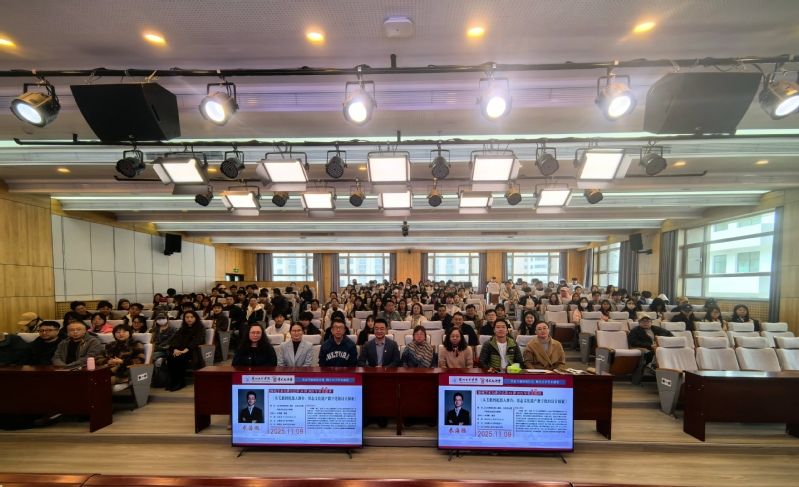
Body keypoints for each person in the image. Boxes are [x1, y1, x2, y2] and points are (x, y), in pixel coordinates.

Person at [165, 310, 206, 391]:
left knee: (180, 358)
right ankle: (174, 380)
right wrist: (175, 349)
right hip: (180, 350)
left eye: (191, 317)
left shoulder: (200, 328)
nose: (189, 319)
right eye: (187, 317)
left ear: (196, 318)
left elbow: (197, 341)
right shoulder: (182, 328)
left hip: (193, 351)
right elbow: (176, 339)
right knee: (171, 357)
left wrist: (185, 350)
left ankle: (181, 381)